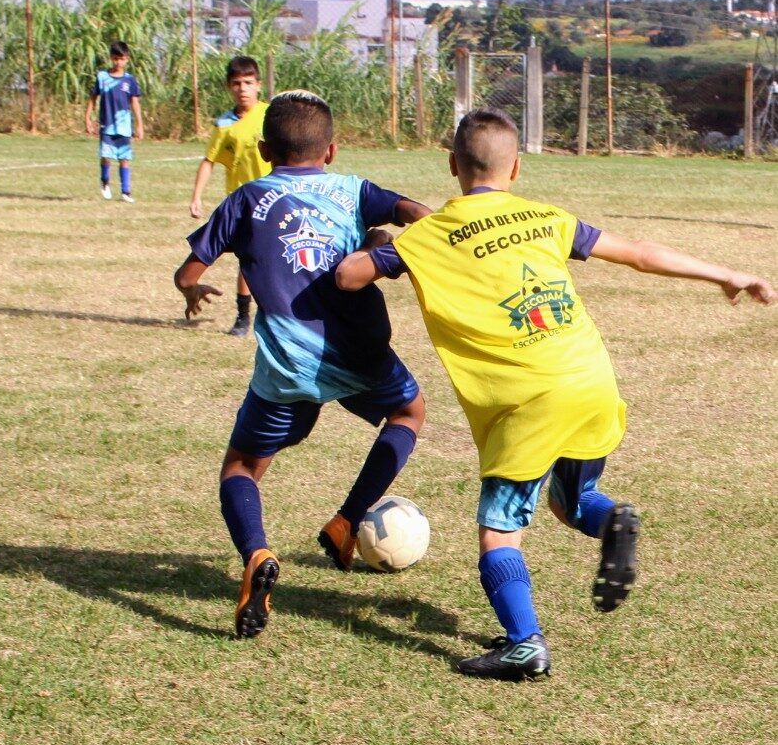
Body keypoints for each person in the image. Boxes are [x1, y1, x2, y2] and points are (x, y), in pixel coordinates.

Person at [336, 107, 776, 681]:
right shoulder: (543, 217)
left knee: (499, 531)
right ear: (515, 167)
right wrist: (725, 273)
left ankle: (524, 644)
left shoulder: (426, 238)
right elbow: (640, 252)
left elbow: (348, 275)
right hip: (590, 377)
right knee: (571, 502)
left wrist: (379, 239)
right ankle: (614, 518)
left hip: (528, 401)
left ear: (451, 166)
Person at [174, 90, 430, 638]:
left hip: (286, 366)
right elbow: (415, 212)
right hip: (357, 354)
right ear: (332, 150)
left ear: (265, 149)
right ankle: (345, 521)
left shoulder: (246, 199)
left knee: (242, 469)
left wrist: (192, 292)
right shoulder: (353, 189)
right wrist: (387, 243)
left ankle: (257, 552)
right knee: (408, 412)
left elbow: (188, 271)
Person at [189, 56, 270, 337]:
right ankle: (243, 318)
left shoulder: (270, 115)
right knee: (250, 259)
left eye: (248, 83)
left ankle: (278, 313)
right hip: (243, 203)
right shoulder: (224, 124)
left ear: (259, 85)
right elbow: (209, 160)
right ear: (228, 88)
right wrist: (196, 196)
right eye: (236, 84)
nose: (242, 88)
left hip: (276, 197)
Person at [85, 40, 144, 203]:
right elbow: (92, 98)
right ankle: (105, 183)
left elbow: (134, 103)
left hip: (124, 127)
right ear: (111, 58)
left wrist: (139, 124)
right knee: (106, 156)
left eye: (122, 59)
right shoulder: (103, 77)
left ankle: (126, 191)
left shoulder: (130, 80)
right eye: (116, 59)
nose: (119, 62)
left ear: (127, 59)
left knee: (124, 159)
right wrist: (88, 117)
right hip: (107, 126)